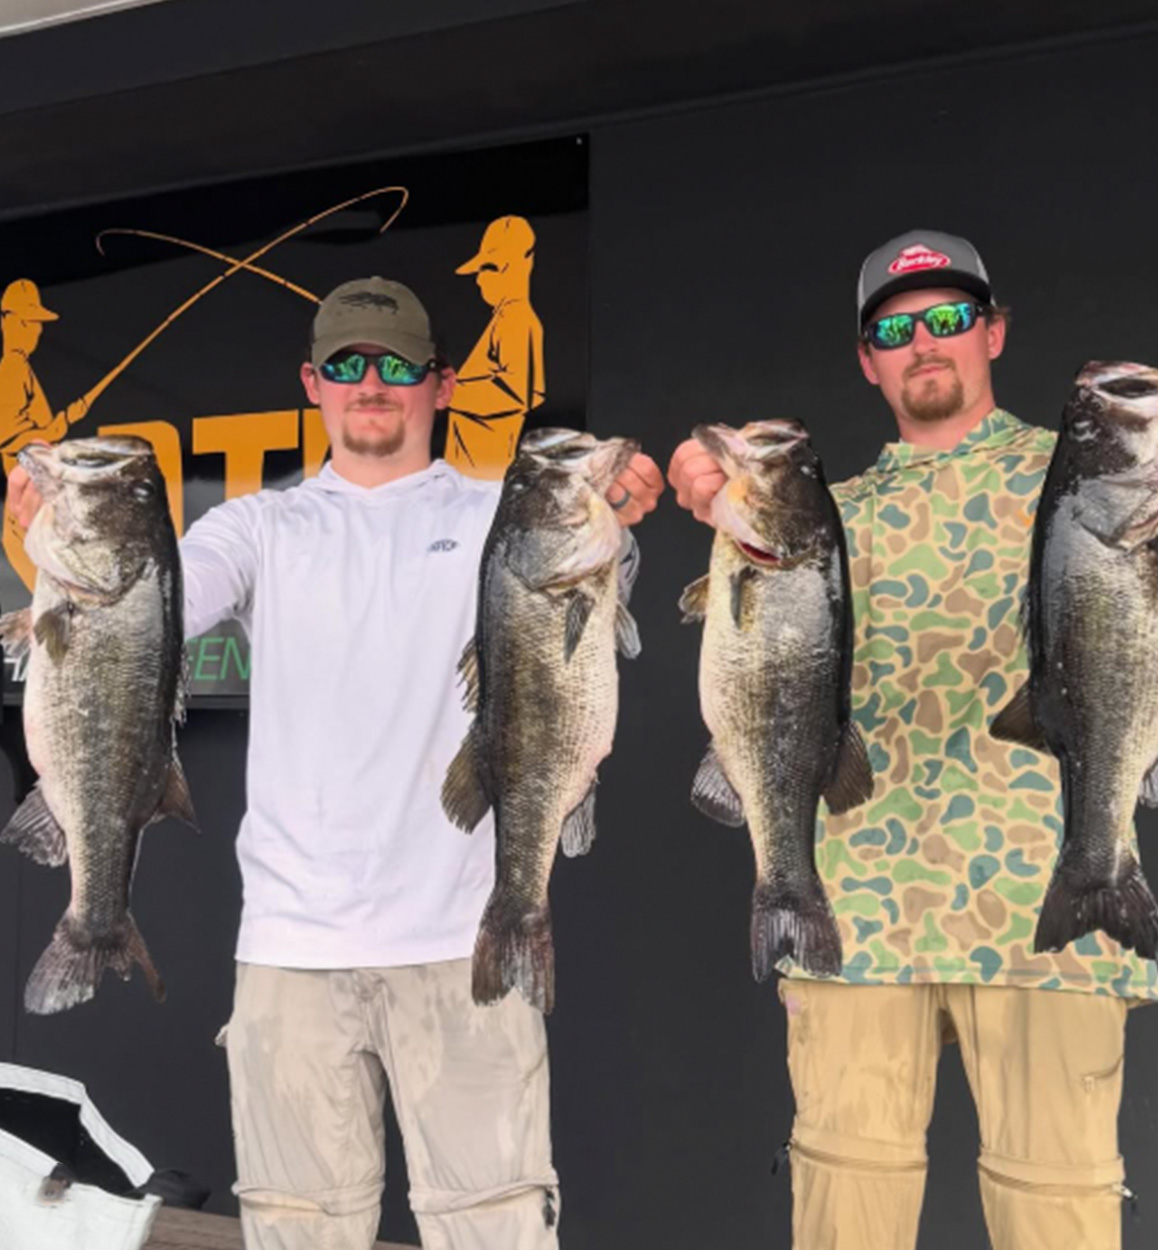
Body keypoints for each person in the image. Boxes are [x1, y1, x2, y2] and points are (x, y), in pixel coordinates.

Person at [8, 275, 664, 1250]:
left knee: (497, 1232)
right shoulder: (257, 527)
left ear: (438, 385)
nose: (372, 383)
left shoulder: (504, 515)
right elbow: (146, 615)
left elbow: (583, 598)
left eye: (396, 364)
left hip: (463, 943)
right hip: (289, 952)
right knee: (297, 1235)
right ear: (311, 383)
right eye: (349, 364)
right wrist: (44, 542)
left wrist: (622, 513)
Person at [667, 230, 1158, 1250]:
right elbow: (739, 643)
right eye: (894, 326)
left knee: (1058, 1220)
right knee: (845, 1222)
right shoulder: (817, 517)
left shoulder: (1084, 472)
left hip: (1047, 905)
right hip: (853, 917)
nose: (922, 340)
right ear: (866, 360)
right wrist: (710, 499)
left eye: (946, 317)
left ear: (993, 332)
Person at [0, 279, 94, 588]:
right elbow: (10, 435)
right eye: (29, 322)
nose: (37, 331)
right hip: (26, 519)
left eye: (38, 323)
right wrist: (60, 423)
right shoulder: (12, 367)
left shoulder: (22, 367)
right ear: (7, 321)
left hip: (40, 522)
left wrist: (65, 420)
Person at [445, 216, 546, 478]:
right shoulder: (503, 319)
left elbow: (515, 393)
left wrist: (447, 392)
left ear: (523, 264)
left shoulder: (516, 319)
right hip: (470, 478)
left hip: (485, 477)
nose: (480, 280)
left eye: (490, 268)